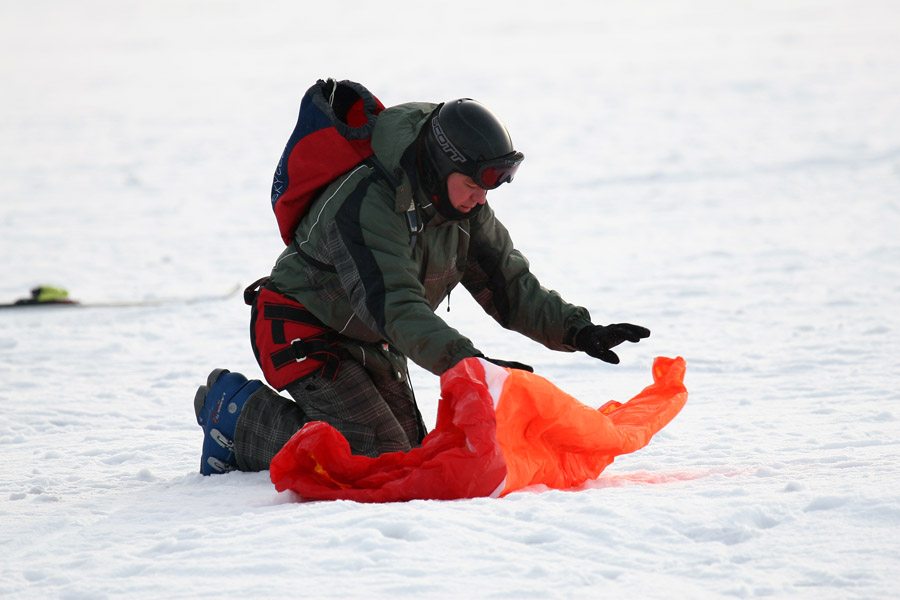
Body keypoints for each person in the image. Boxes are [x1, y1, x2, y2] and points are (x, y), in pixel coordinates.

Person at [194, 95, 650, 475]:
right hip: (302, 329)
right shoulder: (367, 201)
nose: (482, 197)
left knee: (412, 455)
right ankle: (236, 416)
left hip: (371, 338)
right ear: (439, 164)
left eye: (490, 187)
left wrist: (578, 330)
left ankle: (304, 422)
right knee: (374, 460)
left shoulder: (463, 211)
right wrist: (470, 365)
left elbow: (510, 285)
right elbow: (396, 306)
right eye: (474, 183)